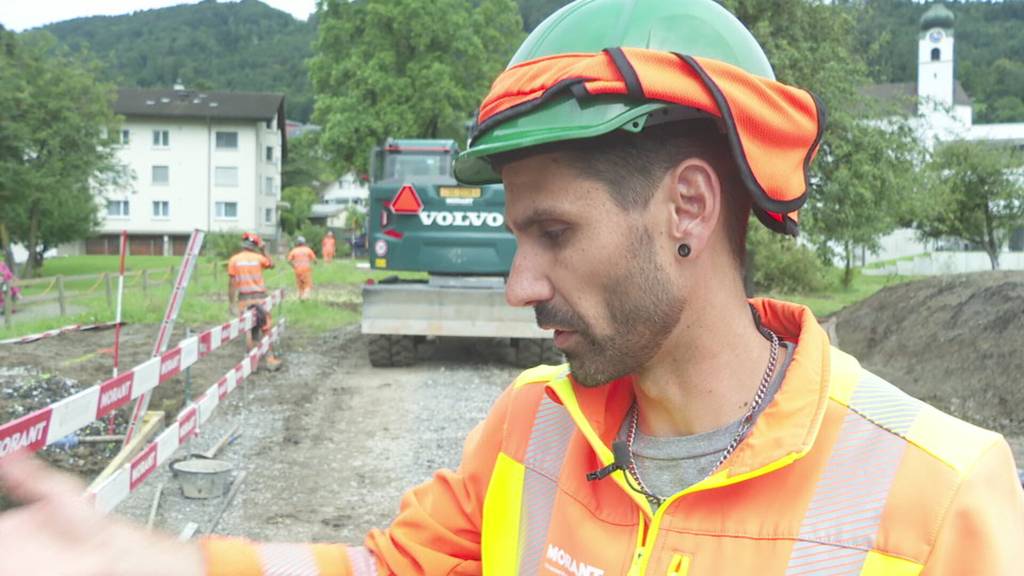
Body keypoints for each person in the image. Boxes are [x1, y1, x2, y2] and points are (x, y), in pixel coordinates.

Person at [0, 1, 1021, 574]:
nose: (518, 284)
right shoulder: (533, 427)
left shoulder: (940, 496)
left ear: (688, 210)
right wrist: (128, 559)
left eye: (554, 233)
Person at [227, 232, 281, 371]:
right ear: (254, 246)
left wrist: (232, 303)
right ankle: (270, 360)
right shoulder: (259, 258)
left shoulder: (234, 260)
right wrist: (264, 249)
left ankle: (252, 364)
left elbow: (232, 283)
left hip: (244, 298)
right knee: (265, 327)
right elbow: (272, 264)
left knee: (249, 329)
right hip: (260, 297)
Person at [287, 235, 317, 300]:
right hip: (306, 270)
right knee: (307, 285)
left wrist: (294, 266)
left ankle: (299, 297)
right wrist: (314, 263)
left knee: (300, 285)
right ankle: (305, 297)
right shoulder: (308, 250)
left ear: (297, 243)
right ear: (304, 243)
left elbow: (289, 261)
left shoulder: (294, 250)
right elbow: (315, 260)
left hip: (297, 270)